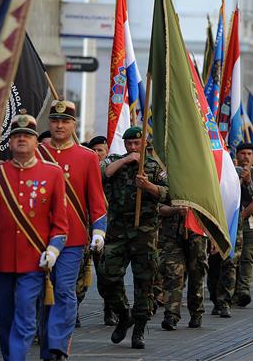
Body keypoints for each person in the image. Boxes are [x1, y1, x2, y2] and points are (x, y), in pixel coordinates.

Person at [0, 113, 69, 361]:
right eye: (16, 136)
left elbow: (61, 222)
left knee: (24, 314)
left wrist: (53, 250)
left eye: (27, 136)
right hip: (1, 260)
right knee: (5, 317)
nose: (21, 139)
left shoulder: (53, 173)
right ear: (10, 142)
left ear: (37, 142)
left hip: (34, 260)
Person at [37, 100, 107, 360]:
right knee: (40, 294)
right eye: (55, 120)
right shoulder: (38, 153)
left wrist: (99, 230)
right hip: (37, 237)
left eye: (65, 121)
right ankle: (45, 342)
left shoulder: (87, 157)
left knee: (64, 290)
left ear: (73, 125)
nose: (59, 125)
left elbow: (96, 199)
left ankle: (57, 345)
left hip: (72, 238)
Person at [99, 126, 169, 349]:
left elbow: (169, 195)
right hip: (118, 232)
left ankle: (139, 329)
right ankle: (123, 314)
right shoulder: (117, 161)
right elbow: (103, 174)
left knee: (144, 283)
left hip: (144, 234)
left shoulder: (154, 166)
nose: (133, 147)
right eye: (129, 144)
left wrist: (148, 186)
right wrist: (127, 159)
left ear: (144, 143)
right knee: (107, 275)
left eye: (136, 144)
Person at [75, 135, 114, 328]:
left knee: (106, 274)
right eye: (94, 150)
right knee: (79, 274)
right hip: (82, 229)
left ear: (107, 152)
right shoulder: (83, 169)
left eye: (101, 150)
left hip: (102, 231)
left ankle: (110, 309)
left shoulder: (113, 169)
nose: (97, 153)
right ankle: (73, 310)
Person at [159, 204, 208, 330]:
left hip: (197, 230)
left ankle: (196, 311)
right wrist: (175, 210)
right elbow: (159, 206)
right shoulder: (168, 183)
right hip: (172, 233)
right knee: (173, 272)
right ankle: (171, 314)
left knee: (197, 272)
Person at [233, 143, 253, 307]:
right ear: (237, 155)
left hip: (249, 222)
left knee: (247, 257)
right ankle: (230, 290)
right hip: (231, 221)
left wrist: (247, 182)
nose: (246, 156)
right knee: (232, 258)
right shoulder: (229, 171)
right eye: (243, 153)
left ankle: (243, 290)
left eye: (249, 153)